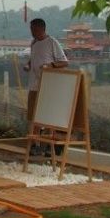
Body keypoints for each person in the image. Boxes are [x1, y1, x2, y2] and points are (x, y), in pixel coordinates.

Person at [24, 17, 68, 154]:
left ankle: (52, 146)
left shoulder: (52, 42)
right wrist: (28, 65)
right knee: (33, 117)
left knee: (48, 116)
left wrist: (50, 66)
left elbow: (64, 62)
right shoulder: (34, 43)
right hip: (34, 85)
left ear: (41, 28)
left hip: (48, 86)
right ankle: (35, 144)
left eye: (34, 29)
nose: (32, 32)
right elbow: (34, 59)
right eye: (31, 29)